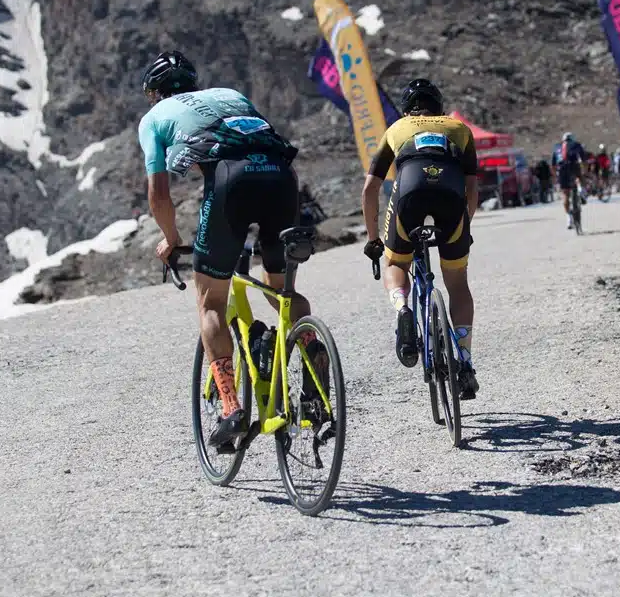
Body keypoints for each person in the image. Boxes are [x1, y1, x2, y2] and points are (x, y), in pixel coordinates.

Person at [136, 50, 323, 447]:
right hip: (281, 180)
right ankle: (314, 361)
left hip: (229, 184)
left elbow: (158, 194)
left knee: (211, 304)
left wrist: (171, 239)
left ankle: (231, 408)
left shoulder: (154, 118)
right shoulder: (231, 95)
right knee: (281, 291)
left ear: (155, 94)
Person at [361, 78, 480, 399]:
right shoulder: (459, 129)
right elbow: (472, 189)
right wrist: (463, 225)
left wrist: (374, 240)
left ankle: (403, 311)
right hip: (451, 199)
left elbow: (370, 190)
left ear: (407, 108)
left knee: (396, 262)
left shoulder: (397, 128)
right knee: (457, 284)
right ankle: (465, 361)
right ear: (439, 107)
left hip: (409, 192)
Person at [555, 131, 587, 229]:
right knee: (579, 177)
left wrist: (555, 177)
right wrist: (584, 171)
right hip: (573, 165)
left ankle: (569, 218)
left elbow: (553, 165)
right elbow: (583, 159)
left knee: (565, 194)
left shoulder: (557, 147)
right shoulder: (576, 144)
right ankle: (581, 190)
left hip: (561, 169)